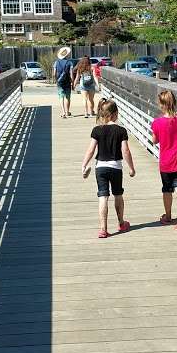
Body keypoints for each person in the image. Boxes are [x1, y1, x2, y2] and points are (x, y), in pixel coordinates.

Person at [81, 99, 135, 238]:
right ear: (115, 114)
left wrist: (84, 164)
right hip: (116, 167)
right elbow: (126, 151)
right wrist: (131, 168)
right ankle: (121, 223)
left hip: (101, 168)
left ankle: (103, 229)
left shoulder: (97, 130)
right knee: (118, 195)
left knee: (103, 197)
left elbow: (91, 150)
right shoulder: (121, 130)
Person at [150, 89, 177, 233]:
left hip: (166, 162)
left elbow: (154, 141)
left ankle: (168, 216)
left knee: (167, 189)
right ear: (174, 102)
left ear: (161, 105)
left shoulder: (157, 122)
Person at [53, 46, 74, 119]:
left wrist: (56, 81)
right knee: (67, 97)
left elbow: (54, 73)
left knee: (61, 97)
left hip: (60, 82)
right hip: (67, 82)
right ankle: (67, 112)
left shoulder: (56, 62)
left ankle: (63, 112)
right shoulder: (70, 62)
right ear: (66, 55)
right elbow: (71, 74)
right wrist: (72, 82)